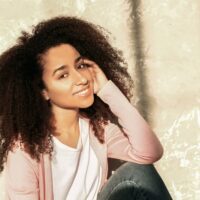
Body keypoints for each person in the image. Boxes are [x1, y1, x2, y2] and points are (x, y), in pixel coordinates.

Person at [0, 16, 172, 200]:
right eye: (63, 75)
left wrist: (107, 89)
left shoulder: (98, 130)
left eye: (80, 66)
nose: (81, 79)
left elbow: (149, 153)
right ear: (43, 92)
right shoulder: (25, 149)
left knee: (137, 171)